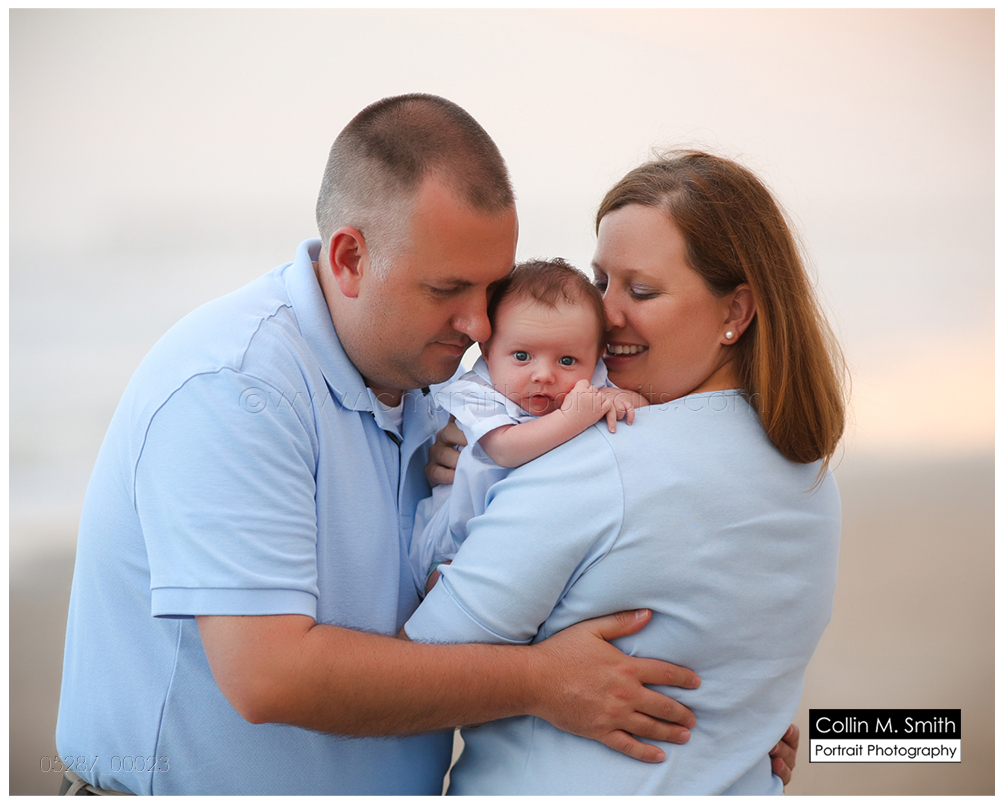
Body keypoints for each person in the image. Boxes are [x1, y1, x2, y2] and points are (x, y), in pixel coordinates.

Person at [54, 95, 707, 796]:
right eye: (448, 289)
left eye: (492, 288)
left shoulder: (434, 380)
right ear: (349, 259)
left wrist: (720, 718)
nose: (481, 325)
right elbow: (270, 676)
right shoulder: (237, 388)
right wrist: (540, 683)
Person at [406, 150, 845, 794]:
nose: (606, 313)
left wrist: (538, 680)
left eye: (640, 291)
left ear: (736, 312)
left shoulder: (597, 463)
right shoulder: (811, 475)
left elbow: (415, 673)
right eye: (601, 280)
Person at [411, 258, 644, 592]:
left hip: (532, 540)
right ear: (488, 351)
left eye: (567, 360)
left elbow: (635, 408)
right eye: (522, 355)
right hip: (454, 545)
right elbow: (505, 449)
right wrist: (570, 418)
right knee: (447, 591)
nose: (544, 375)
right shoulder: (477, 393)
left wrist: (626, 400)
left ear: (596, 357)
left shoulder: (588, 385)